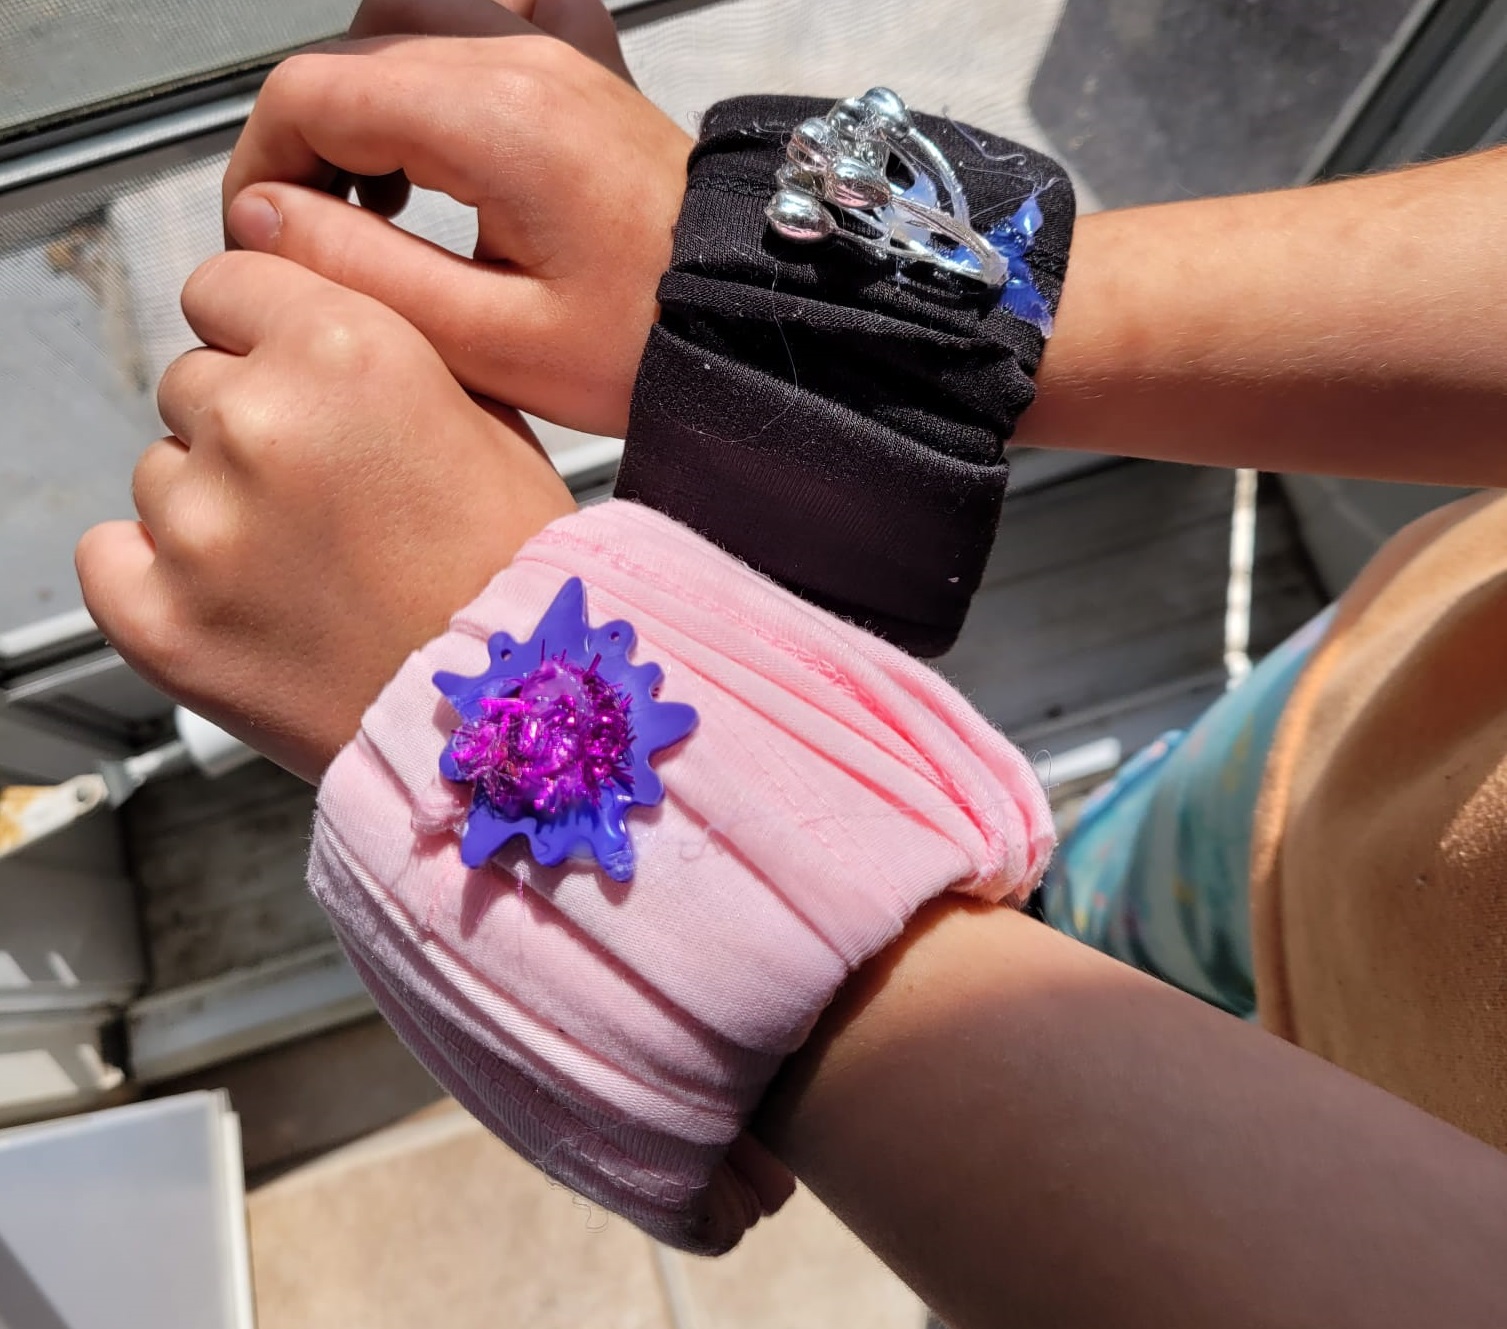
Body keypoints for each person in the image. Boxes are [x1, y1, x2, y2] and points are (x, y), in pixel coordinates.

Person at [70, 3, 1507, 1325]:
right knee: (1108, 888)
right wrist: (818, 312)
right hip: (1359, 748)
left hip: (1208, 1201)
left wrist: (486, 663)